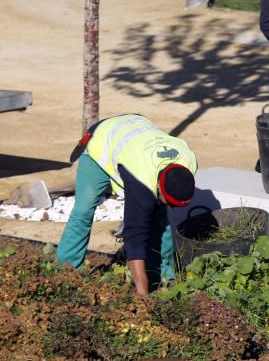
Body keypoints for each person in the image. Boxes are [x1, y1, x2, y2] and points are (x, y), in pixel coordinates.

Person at [57, 113, 197, 295]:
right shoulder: (141, 181)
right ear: (159, 187)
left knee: (160, 217)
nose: (171, 207)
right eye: (169, 201)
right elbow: (134, 239)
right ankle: (64, 273)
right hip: (100, 144)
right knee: (83, 210)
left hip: (136, 133)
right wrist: (142, 294)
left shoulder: (188, 162)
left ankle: (164, 278)